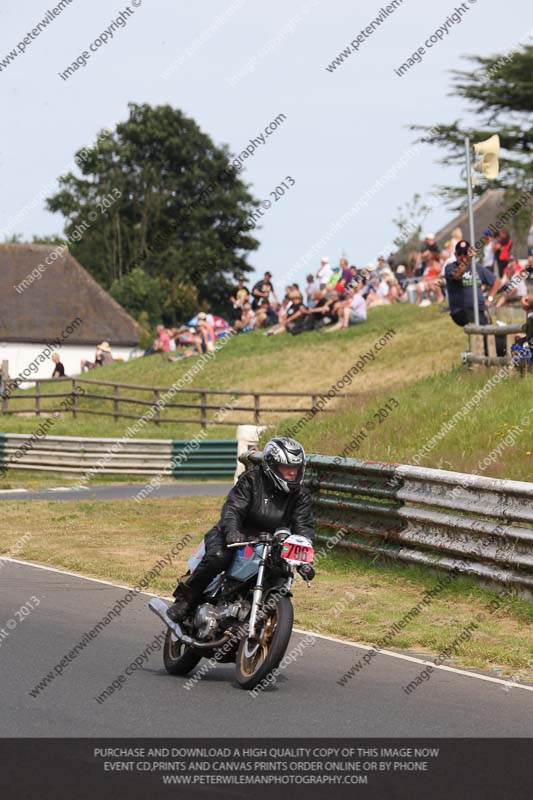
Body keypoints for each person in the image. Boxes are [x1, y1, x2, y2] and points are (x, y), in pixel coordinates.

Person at [166, 437, 315, 622]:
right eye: (286, 468)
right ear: (272, 465)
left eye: (296, 468)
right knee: (219, 556)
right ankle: (186, 600)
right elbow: (233, 509)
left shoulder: (301, 495)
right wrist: (233, 533)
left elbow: (303, 526)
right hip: (236, 536)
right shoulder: (251, 481)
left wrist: (305, 556)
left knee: (280, 573)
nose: (292, 473)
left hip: (271, 544)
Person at [445, 239, 505, 356]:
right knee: (485, 331)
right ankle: (499, 352)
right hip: (461, 311)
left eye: (465, 253)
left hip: (480, 310)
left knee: (495, 332)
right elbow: (457, 275)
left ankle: (503, 351)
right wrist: (467, 260)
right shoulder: (450, 268)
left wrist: (490, 299)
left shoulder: (477, 268)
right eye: (459, 253)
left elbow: (496, 281)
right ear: (455, 255)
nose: (462, 256)